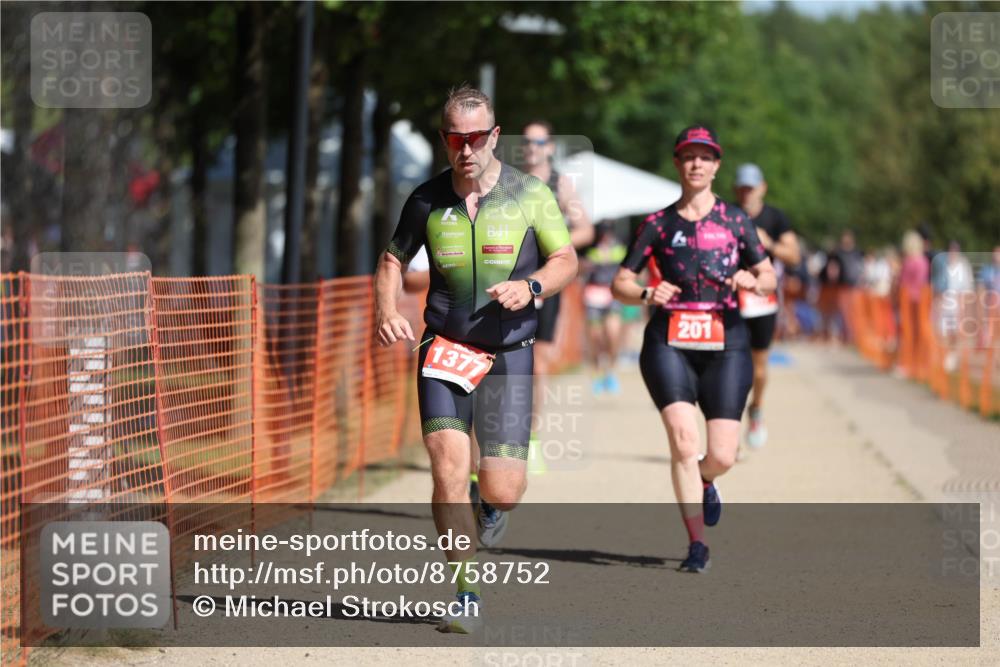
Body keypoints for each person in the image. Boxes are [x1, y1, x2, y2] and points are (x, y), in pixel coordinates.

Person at [374, 85, 577, 632]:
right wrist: (386, 309)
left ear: (494, 137)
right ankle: (465, 594)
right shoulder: (425, 199)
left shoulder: (530, 193)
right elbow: (392, 260)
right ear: (444, 140)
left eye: (477, 138)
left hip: (509, 351)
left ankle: (486, 503)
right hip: (442, 348)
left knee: (503, 488)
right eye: (455, 139)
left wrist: (532, 286)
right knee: (446, 470)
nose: (466, 149)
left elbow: (565, 258)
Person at [612, 126, 776, 573]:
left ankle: (706, 479)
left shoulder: (737, 222)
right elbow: (620, 281)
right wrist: (646, 294)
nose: (697, 164)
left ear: (717, 165)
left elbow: (769, 277)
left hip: (727, 340)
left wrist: (753, 279)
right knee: (684, 442)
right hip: (670, 341)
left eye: (706, 157)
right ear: (678, 164)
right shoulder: (657, 224)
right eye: (689, 156)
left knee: (722, 453)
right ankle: (697, 544)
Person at [732, 163, 800, 449]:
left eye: (752, 187)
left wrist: (768, 244)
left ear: (762, 188)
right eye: (742, 188)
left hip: (764, 301)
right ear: (737, 190)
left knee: (759, 368)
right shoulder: (728, 216)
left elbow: (794, 256)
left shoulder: (775, 217)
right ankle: (729, 429)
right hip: (732, 299)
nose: (747, 193)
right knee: (732, 365)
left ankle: (756, 409)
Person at [581, 222, 628, 394]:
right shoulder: (589, 249)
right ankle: (598, 373)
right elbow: (579, 268)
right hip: (593, 295)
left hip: (612, 295)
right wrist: (587, 263)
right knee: (596, 338)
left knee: (613, 334)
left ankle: (611, 372)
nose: (606, 236)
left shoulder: (620, 249)